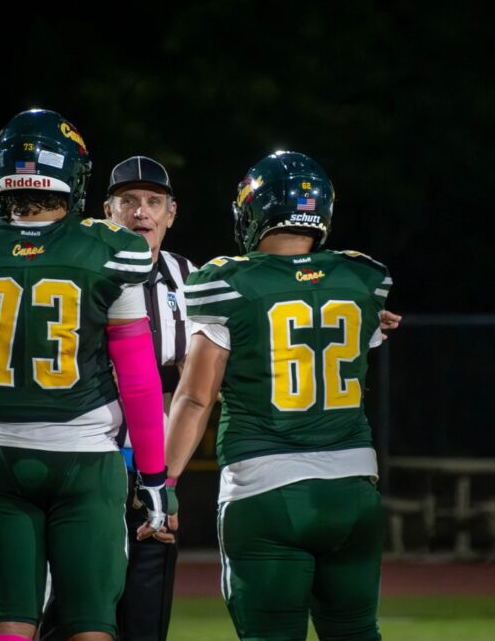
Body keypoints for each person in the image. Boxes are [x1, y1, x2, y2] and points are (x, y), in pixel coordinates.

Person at [0, 109, 168, 641]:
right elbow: (139, 375)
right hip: (84, 458)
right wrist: (153, 478)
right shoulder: (110, 247)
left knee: (9, 623)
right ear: (73, 174)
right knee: (89, 626)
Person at [165, 151, 395, 640]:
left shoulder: (227, 281)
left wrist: (161, 481)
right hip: (354, 489)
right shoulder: (363, 278)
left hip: (266, 487)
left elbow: (195, 398)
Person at [42, 155, 195, 641]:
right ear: (107, 211)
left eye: (154, 202)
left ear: (172, 214)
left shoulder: (190, 279)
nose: (141, 212)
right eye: (128, 201)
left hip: (154, 471)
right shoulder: (78, 269)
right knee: (67, 616)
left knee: (144, 621)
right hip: (82, 466)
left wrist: (166, 478)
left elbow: (203, 384)